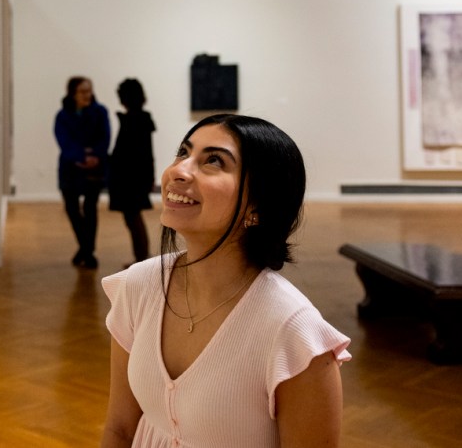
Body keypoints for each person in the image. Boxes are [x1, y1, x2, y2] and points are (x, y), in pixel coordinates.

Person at [99, 114, 350, 448]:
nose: (178, 171)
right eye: (183, 152)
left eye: (213, 161)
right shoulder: (138, 286)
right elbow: (119, 428)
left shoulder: (294, 334)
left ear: (258, 204)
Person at [54, 76, 111, 269]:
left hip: (94, 169)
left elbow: (105, 139)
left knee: (90, 209)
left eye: (89, 90)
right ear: (73, 93)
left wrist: (93, 155)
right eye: (83, 91)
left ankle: (87, 252)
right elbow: (64, 142)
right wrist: (81, 156)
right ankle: (86, 248)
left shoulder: (100, 112)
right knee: (71, 209)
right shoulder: (62, 116)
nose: (87, 95)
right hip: (70, 169)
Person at [108, 79, 154, 264]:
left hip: (130, 178)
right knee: (132, 218)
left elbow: (142, 153)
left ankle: (142, 259)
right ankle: (140, 258)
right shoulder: (138, 119)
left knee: (133, 218)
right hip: (131, 177)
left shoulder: (135, 120)